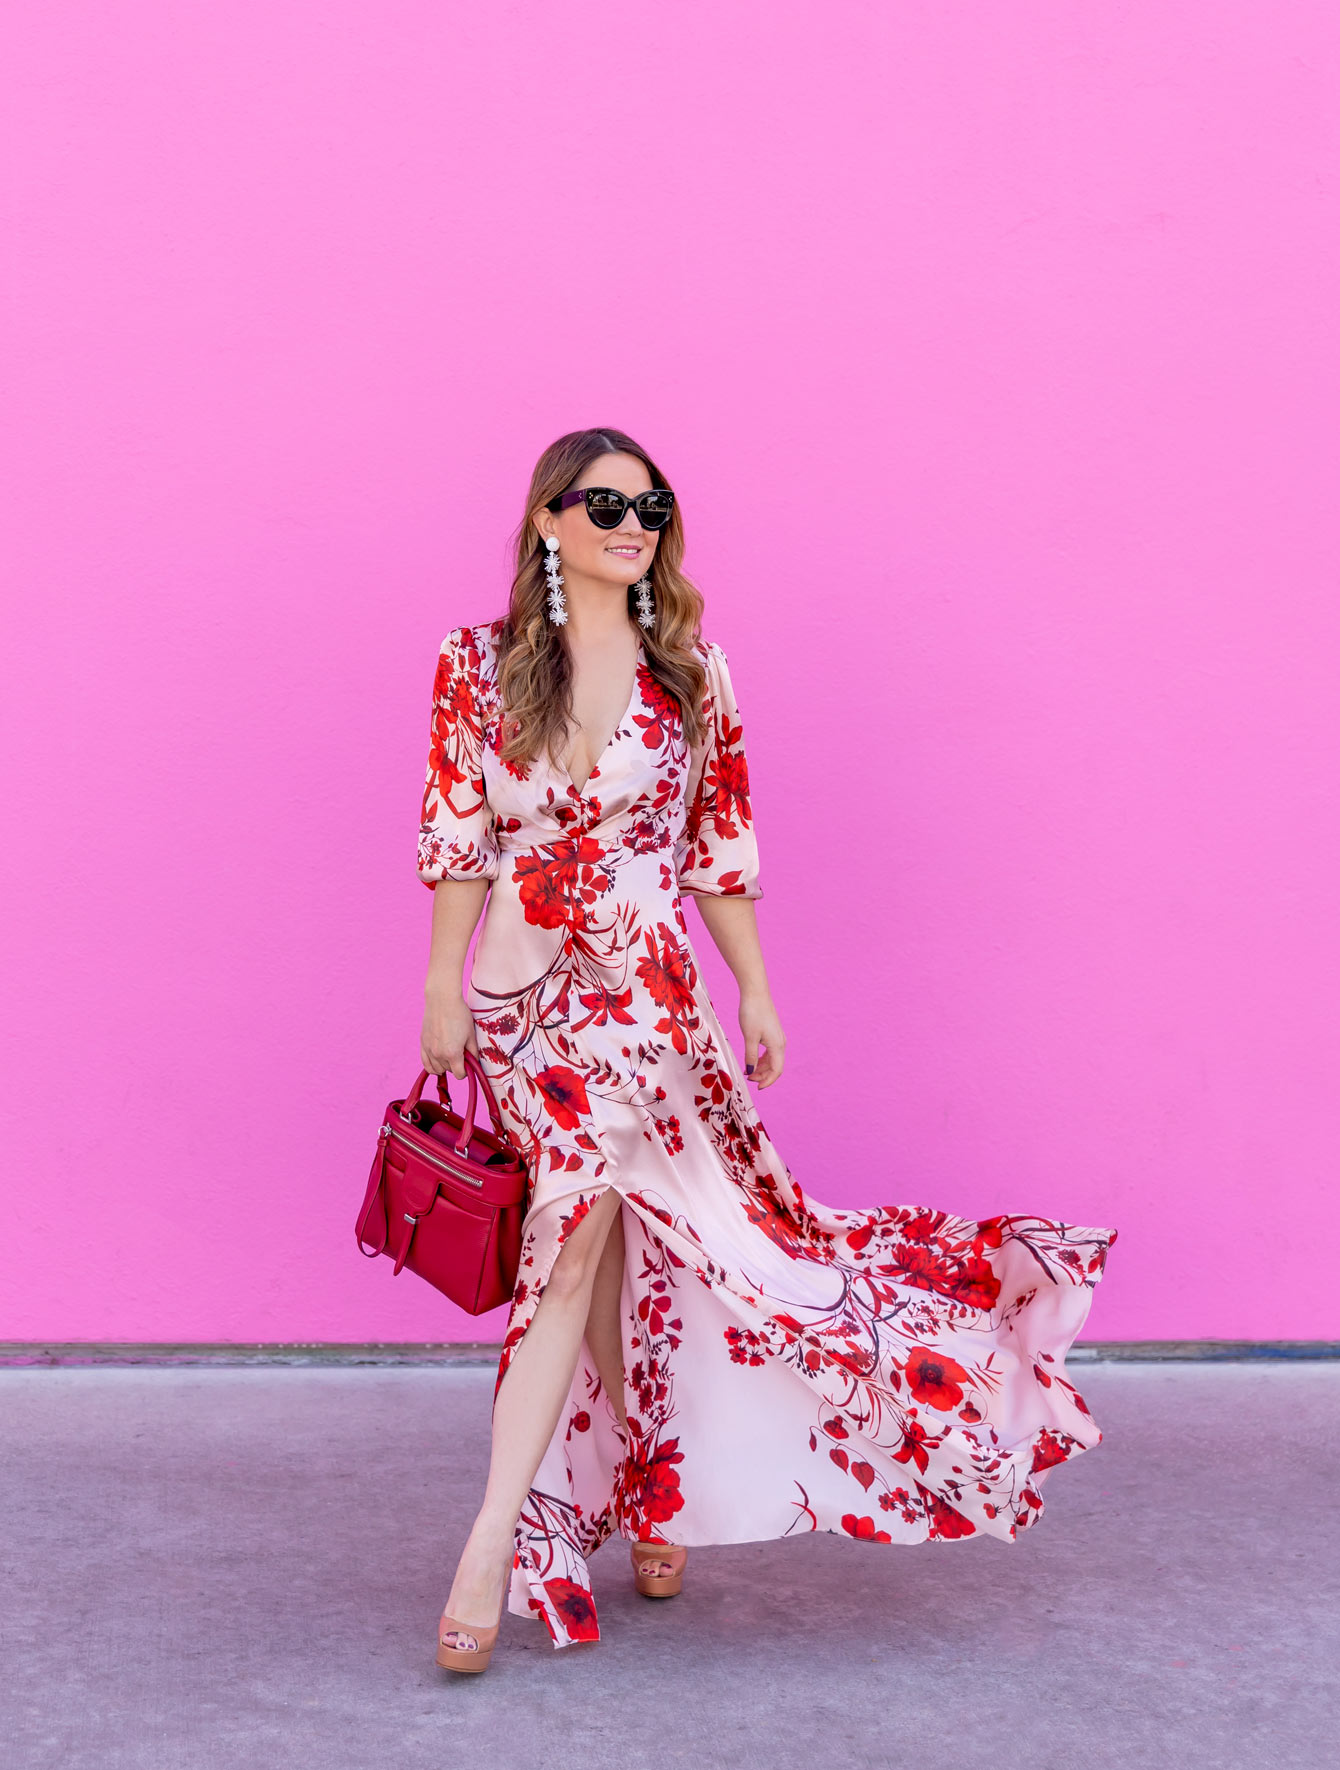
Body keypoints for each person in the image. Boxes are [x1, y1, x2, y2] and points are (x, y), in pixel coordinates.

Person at [418, 427, 1115, 1673]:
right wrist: (438, 984)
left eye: (652, 507)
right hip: (527, 1012)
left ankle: (550, 1519)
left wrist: (755, 989)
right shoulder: (474, 668)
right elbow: (457, 836)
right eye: (604, 504)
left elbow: (718, 849)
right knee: (580, 1255)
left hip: (649, 1008)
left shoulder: (693, 672)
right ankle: (578, 1512)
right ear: (546, 520)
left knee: (629, 1252)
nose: (632, 524)